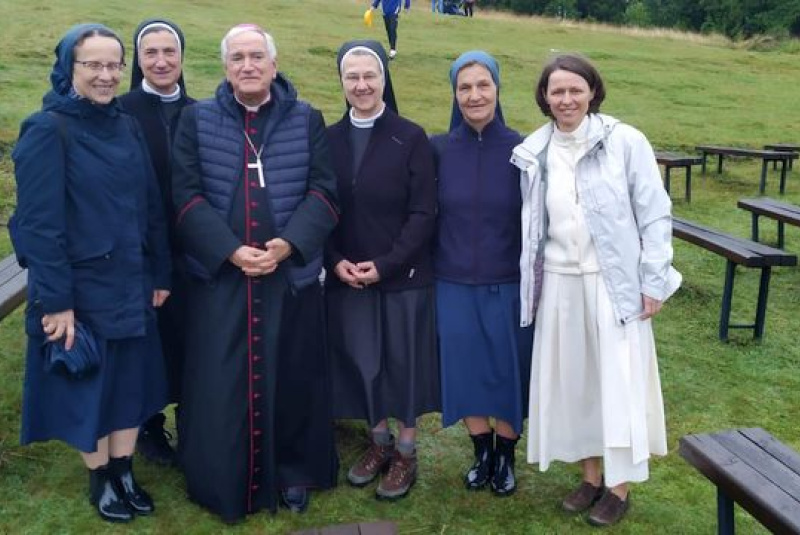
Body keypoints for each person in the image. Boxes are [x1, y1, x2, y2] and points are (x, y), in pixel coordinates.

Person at [171, 23, 340, 522]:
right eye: (238, 57)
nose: (248, 65)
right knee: (223, 386)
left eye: (256, 57)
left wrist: (288, 245)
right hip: (222, 279)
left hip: (287, 278)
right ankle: (223, 478)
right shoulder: (195, 119)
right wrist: (229, 250)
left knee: (291, 379)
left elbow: (325, 192)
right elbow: (185, 196)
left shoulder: (305, 117)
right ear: (225, 67)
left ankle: (292, 474)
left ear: (273, 63)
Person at [11, 23, 171, 523]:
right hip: (78, 289)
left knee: (129, 382)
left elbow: (150, 207)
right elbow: (38, 227)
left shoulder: (125, 124)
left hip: (130, 279)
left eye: (112, 65)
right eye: (93, 65)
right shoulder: (47, 129)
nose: (105, 76)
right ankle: (99, 477)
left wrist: (160, 272)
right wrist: (57, 301)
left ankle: (123, 469)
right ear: (69, 68)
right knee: (91, 386)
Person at [512, 53, 681, 527]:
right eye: (556, 91)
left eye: (574, 89)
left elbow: (654, 213)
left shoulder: (625, 142)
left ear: (592, 91)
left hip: (612, 285)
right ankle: (589, 477)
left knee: (615, 383)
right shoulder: (534, 150)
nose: (566, 99)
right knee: (577, 384)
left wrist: (653, 279)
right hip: (560, 284)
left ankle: (619, 487)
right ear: (544, 97)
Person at [325, 40, 439, 501]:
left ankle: (406, 453)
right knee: (364, 363)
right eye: (351, 76)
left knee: (402, 365)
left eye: (369, 75)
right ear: (342, 82)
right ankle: (378, 444)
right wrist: (334, 261)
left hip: (402, 275)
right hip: (348, 274)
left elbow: (424, 213)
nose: (361, 84)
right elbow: (318, 206)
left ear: (383, 80)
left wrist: (388, 264)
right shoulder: (327, 140)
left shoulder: (410, 136)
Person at [431, 51, 532, 498]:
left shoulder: (524, 150)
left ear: (497, 89)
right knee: (465, 368)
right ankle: (481, 451)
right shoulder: (437, 149)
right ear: (455, 94)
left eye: (483, 85)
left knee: (510, 371)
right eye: (465, 87)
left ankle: (507, 454)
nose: (474, 95)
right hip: (452, 279)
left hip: (509, 281)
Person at [119, 17, 195, 467]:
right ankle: (147, 424)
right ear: (138, 59)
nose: (162, 61)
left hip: (194, 251)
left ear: (182, 57)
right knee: (148, 340)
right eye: (152, 52)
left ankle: (193, 419)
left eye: (170, 52)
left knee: (191, 338)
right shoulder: (123, 110)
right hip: (141, 251)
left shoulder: (200, 111)